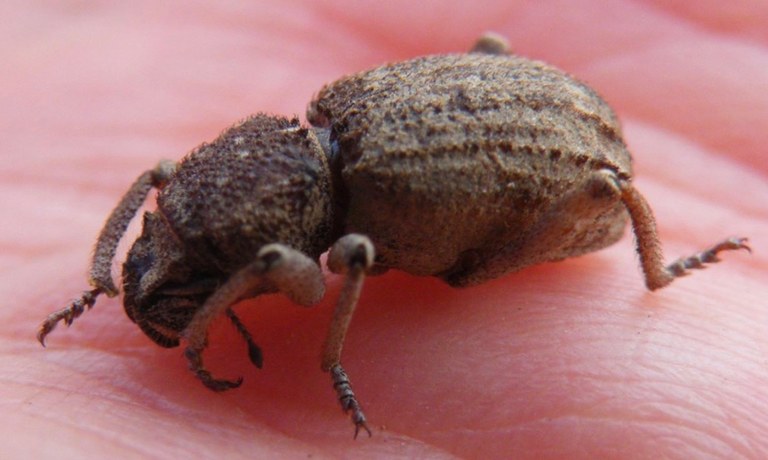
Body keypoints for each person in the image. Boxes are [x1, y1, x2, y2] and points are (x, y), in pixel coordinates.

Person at [2, 1, 766, 457]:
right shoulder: (317, 132)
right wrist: (100, 283)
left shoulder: (345, 229)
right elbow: (161, 177)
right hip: (519, 115)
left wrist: (204, 341)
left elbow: (282, 259)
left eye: (196, 258)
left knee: (606, 190)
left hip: (573, 171)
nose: (164, 268)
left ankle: (662, 270)